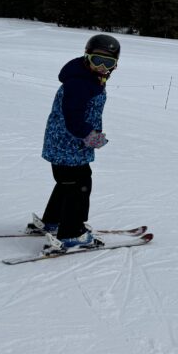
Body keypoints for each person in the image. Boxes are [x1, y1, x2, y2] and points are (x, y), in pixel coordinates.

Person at [32, 33, 120, 254]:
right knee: (80, 186)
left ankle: (52, 221)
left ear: (115, 65)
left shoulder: (86, 77)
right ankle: (71, 233)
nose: (101, 66)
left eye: (107, 62)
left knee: (67, 183)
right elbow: (73, 118)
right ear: (86, 57)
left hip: (64, 144)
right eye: (96, 60)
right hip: (69, 145)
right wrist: (92, 137)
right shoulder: (80, 83)